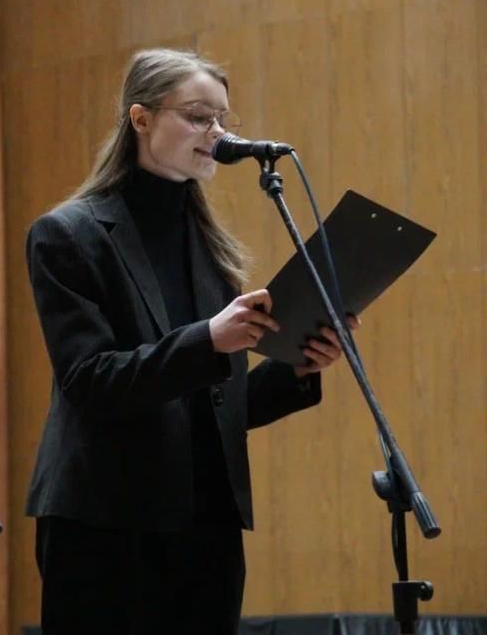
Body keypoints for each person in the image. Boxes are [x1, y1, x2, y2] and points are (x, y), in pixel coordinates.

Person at [24, 48, 359, 634]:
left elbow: (214, 406)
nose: (218, 134)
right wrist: (208, 340)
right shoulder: (68, 235)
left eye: (223, 119)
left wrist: (298, 366)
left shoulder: (211, 248)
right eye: (199, 116)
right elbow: (90, 382)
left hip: (206, 528)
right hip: (106, 527)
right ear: (141, 118)